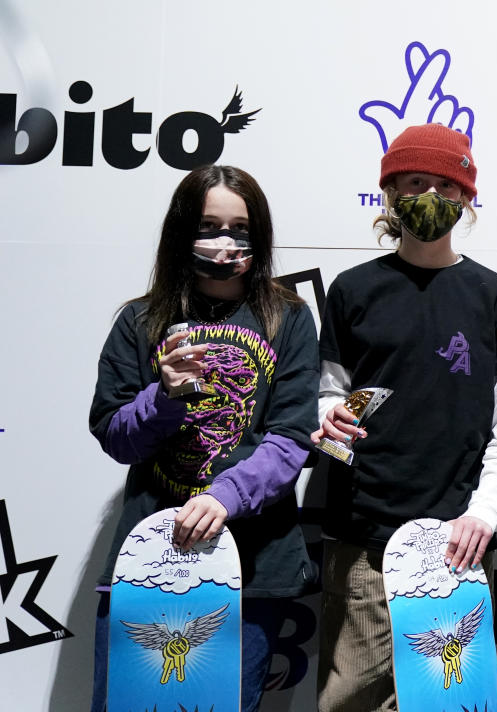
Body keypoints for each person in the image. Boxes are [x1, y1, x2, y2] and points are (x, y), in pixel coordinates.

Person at [312, 123, 497, 711]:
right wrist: (329, 418)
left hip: (455, 543)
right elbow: (327, 394)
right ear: (389, 192)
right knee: (350, 698)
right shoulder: (353, 289)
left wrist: (484, 513)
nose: (431, 196)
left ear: (467, 197)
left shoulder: (492, 297)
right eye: (415, 182)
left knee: (444, 703)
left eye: (445, 184)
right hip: (363, 538)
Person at [88, 165, 319, 712]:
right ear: (180, 230)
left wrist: (224, 495)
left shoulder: (288, 318)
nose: (224, 241)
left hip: (253, 565)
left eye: (239, 228)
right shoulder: (140, 320)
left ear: (259, 235)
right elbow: (115, 435)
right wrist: (164, 398)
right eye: (208, 225)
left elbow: (290, 439)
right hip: (151, 557)